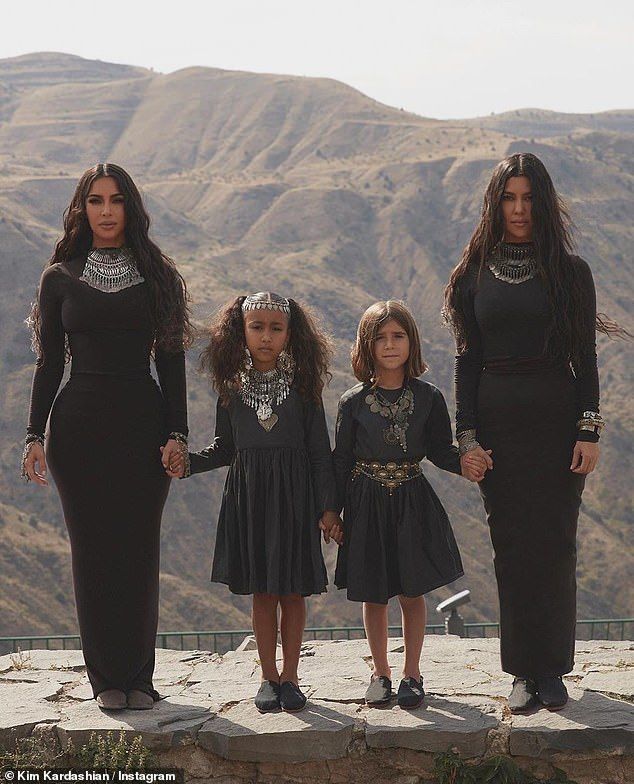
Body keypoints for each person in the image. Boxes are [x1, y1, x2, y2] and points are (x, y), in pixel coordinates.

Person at [443, 152, 623, 713]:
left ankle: (553, 671)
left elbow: (585, 358)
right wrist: (466, 437)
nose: (518, 209)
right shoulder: (471, 275)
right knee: (511, 546)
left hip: (556, 420)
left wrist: (588, 430)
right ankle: (522, 670)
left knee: (555, 544)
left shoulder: (572, 273)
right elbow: (466, 361)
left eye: (527, 198)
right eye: (508, 198)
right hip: (497, 426)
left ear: (542, 203)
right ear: (495, 205)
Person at [22, 163, 192, 711]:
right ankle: (106, 681)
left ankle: (140, 677)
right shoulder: (60, 277)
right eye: (95, 200)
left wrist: (178, 434)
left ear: (130, 208)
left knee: (139, 550)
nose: (106, 210)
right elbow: (49, 363)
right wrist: (33, 436)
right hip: (77, 431)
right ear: (82, 209)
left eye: (116, 200)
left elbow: (172, 362)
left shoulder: (159, 275)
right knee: (92, 553)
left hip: (144, 427)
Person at [170, 292, 341, 713]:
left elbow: (320, 451)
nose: (266, 337)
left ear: (290, 333)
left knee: (293, 592)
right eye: (257, 327)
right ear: (241, 331)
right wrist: (187, 463)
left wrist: (328, 507)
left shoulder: (305, 386)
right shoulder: (230, 387)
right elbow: (224, 449)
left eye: (276, 328)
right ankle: (267, 678)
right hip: (250, 499)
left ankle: (292, 678)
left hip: (296, 498)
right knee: (263, 593)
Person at [332, 300, 477, 709]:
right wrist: (331, 511)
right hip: (365, 502)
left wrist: (467, 463)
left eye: (398, 336)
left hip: (412, 501)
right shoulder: (352, 402)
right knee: (374, 595)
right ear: (367, 345)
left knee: (412, 593)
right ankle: (380, 673)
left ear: (411, 342)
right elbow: (340, 461)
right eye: (380, 338)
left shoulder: (428, 397)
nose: (390, 345)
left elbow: (439, 450)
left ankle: (412, 674)